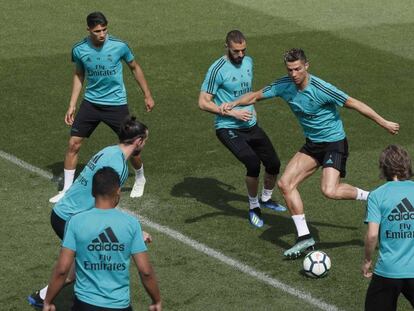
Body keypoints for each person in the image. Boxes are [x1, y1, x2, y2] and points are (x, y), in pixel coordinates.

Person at [222, 48, 399, 257]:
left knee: (330, 191)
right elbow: (256, 96)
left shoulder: (322, 88)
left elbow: (354, 103)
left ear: (306, 66)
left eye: (297, 69)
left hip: (334, 142)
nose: (294, 74)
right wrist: (233, 103)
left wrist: (384, 122)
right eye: (290, 70)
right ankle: (305, 238)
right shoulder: (283, 85)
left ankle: (373, 197)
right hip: (313, 144)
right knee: (285, 184)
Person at [28, 116, 150, 308]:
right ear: (138, 141)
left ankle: (42, 296)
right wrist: (135, 232)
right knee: (92, 264)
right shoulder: (118, 167)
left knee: (80, 265)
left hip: (63, 213)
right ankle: (49, 299)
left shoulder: (109, 151)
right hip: (71, 218)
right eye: (145, 141)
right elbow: (107, 206)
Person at [49, 11, 154, 203]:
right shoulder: (79, 49)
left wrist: (147, 94)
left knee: (132, 146)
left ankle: (140, 177)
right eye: (97, 31)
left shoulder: (120, 46)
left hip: (116, 104)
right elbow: (79, 74)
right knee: (73, 143)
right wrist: (72, 104)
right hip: (91, 103)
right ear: (88, 29)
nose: (102, 34)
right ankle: (67, 190)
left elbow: (134, 67)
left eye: (105, 29)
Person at [198, 30, 286, 229]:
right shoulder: (217, 69)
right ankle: (254, 206)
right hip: (228, 126)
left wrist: (250, 111)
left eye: (243, 50)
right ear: (227, 47)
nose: (240, 55)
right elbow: (203, 103)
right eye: (236, 51)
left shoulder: (248, 62)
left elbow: (248, 93)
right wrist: (232, 113)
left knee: (273, 164)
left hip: (250, 124)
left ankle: (266, 198)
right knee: (253, 163)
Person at [42, 167, 162, 311]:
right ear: (118, 191)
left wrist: (48, 301)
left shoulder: (76, 222)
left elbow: (62, 270)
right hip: (119, 306)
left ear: (93, 192)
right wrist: (156, 300)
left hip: (84, 305)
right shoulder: (131, 224)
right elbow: (145, 271)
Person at [363, 145, 414, 311]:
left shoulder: (377, 195)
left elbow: (372, 235)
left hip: (388, 271)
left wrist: (367, 260)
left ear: (383, 167)